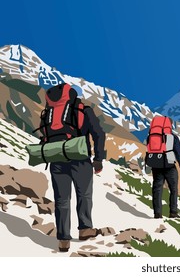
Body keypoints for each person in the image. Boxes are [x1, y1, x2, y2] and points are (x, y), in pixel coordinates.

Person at [42, 83, 106, 252]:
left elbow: (45, 135)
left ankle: (63, 240)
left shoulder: (49, 112)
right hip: (80, 159)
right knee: (84, 194)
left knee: (62, 200)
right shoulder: (83, 110)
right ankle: (85, 229)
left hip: (56, 159)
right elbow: (99, 133)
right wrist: (99, 158)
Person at [148, 117, 180, 219]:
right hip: (169, 166)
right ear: (170, 125)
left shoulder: (152, 135)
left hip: (156, 165)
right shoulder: (172, 137)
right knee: (173, 189)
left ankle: (157, 213)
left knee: (157, 189)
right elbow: (178, 153)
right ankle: (173, 212)